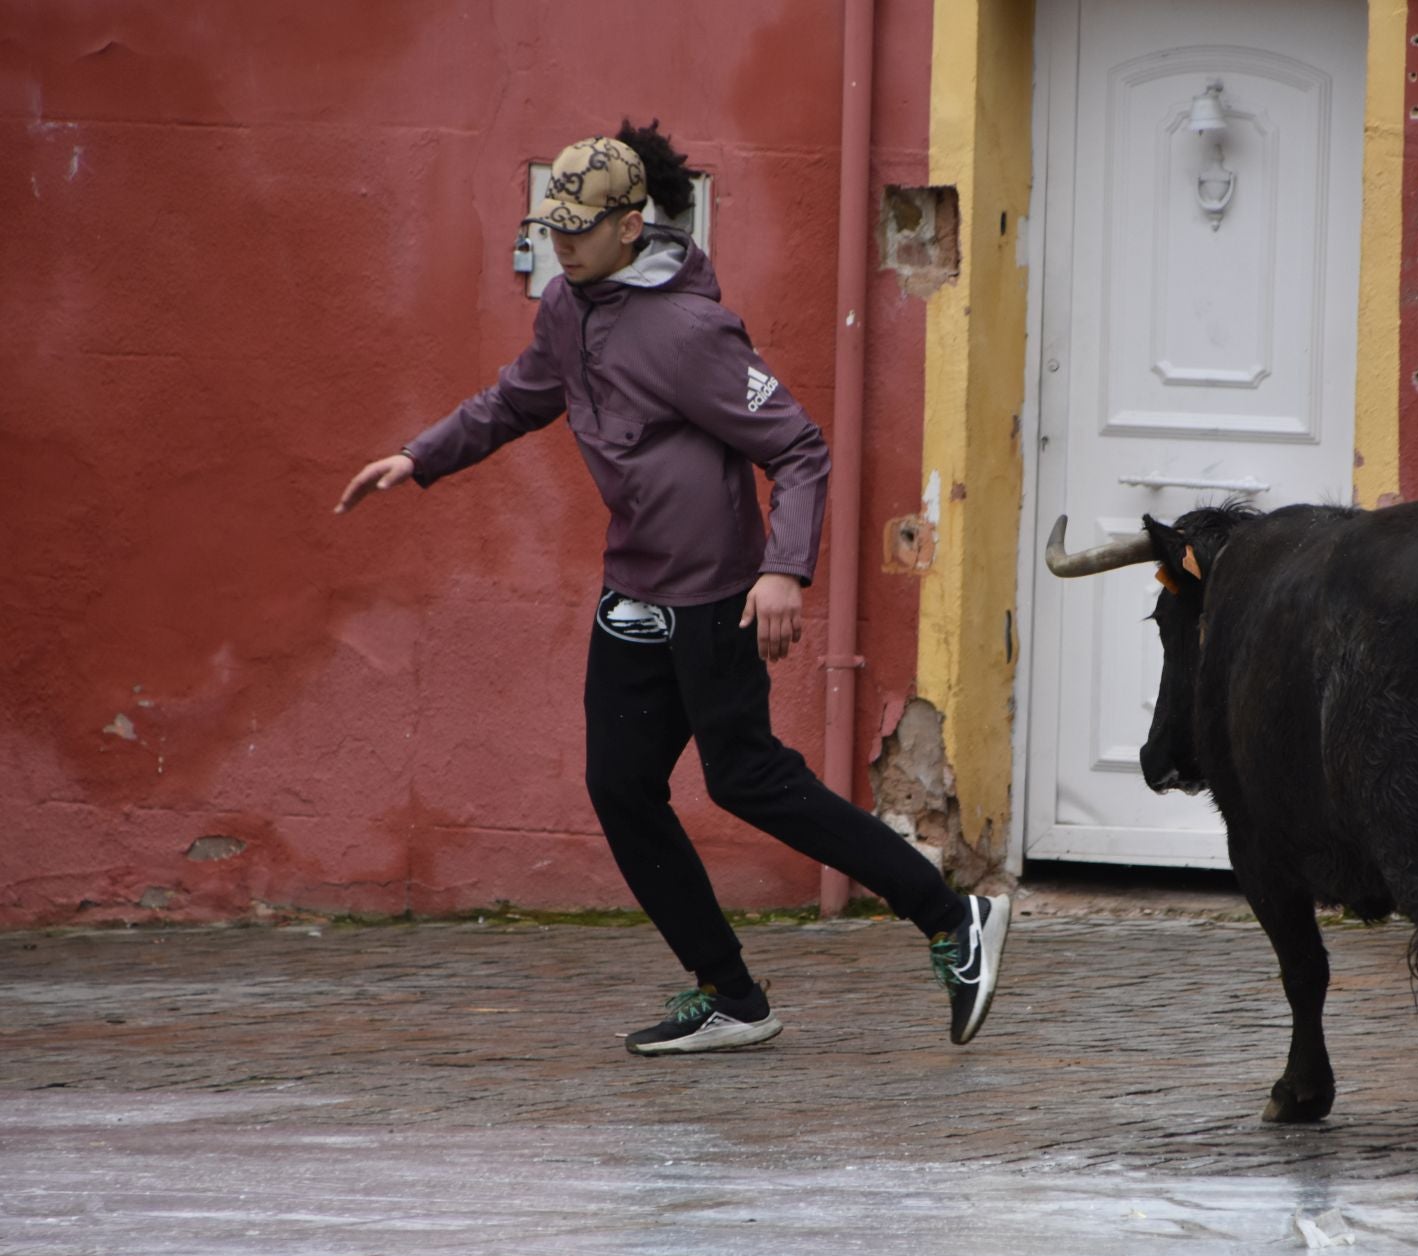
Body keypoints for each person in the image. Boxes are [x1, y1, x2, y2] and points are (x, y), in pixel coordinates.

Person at [336, 122, 1009, 1055]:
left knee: (747, 778)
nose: (559, 243)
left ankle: (949, 917)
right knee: (620, 785)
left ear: (630, 222)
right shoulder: (567, 310)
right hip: (634, 588)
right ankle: (730, 994)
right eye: (551, 227)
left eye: (576, 228)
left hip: (717, 594)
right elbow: (519, 397)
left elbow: (801, 450)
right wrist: (419, 455)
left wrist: (783, 568)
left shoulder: (692, 331)